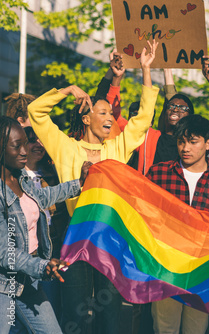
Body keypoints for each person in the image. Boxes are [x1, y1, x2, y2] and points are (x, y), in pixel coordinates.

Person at [27, 41, 159, 334]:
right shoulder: (65, 147)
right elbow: (36, 112)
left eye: (111, 114)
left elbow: (143, 120)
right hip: (74, 241)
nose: (110, 118)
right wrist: (68, 89)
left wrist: (146, 69)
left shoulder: (118, 147)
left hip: (109, 242)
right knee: (74, 315)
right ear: (86, 118)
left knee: (110, 316)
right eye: (102, 113)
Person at [0, 117, 90, 334]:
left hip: (28, 281)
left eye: (25, 143)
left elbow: (44, 196)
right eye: (17, 146)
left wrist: (79, 183)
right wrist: (41, 266)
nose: (25, 151)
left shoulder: (21, 178)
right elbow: (4, 252)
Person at [146, 114, 209, 334]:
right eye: (181, 141)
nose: (185, 148)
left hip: (202, 269)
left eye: (193, 142)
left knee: (196, 328)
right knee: (165, 327)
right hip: (167, 266)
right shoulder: (159, 173)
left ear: (208, 143)